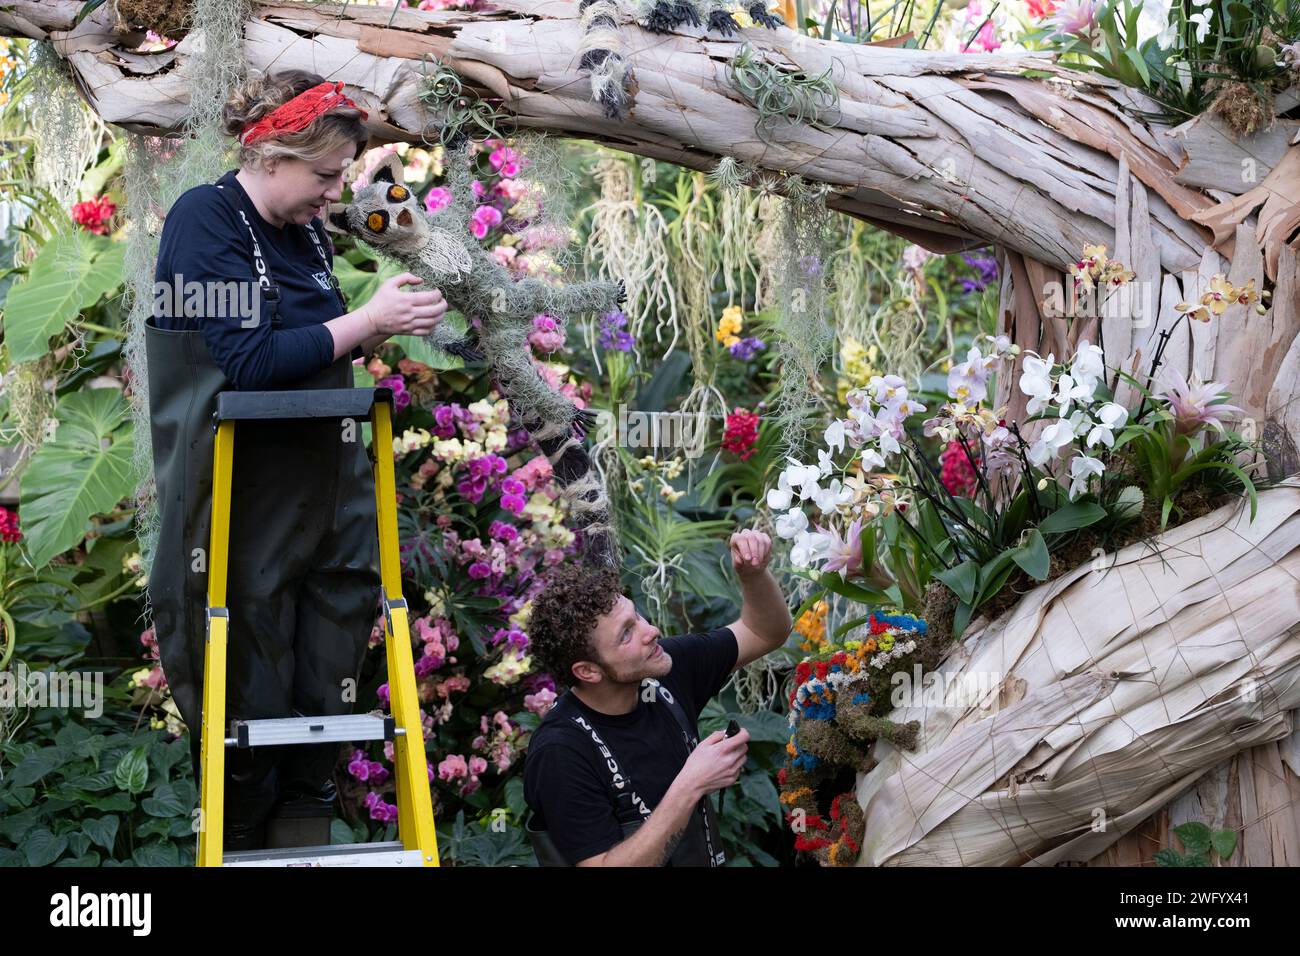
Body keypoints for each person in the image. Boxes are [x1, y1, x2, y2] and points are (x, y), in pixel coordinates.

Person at [144, 69, 448, 850]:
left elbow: (311, 351)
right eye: (323, 174)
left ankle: (307, 829)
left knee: (331, 658)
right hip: (238, 497)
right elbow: (247, 361)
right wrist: (366, 319)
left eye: (341, 174)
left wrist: (384, 324)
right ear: (271, 154)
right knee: (249, 671)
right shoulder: (202, 219)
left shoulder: (304, 227)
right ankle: (244, 834)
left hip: (325, 487)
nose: (333, 191)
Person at [523, 528, 792, 866]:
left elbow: (763, 631)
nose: (651, 631)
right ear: (588, 671)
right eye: (626, 634)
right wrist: (692, 784)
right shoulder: (561, 752)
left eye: (636, 616)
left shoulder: (663, 668)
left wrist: (753, 575)